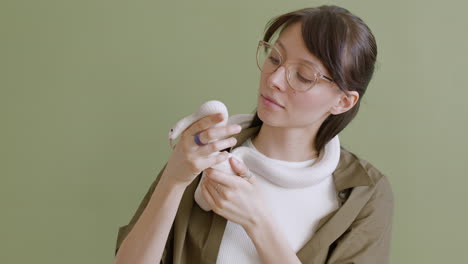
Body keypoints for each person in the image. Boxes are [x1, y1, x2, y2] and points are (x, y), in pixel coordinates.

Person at [114, 5, 394, 264]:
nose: (273, 79)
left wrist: (257, 222)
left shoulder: (365, 194)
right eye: (274, 57)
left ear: (343, 102)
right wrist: (173, 181)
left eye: (304, 76)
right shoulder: (205, 152)